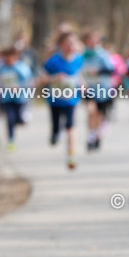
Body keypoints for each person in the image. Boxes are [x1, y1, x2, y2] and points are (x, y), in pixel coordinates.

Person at [40, 31, 84, 170]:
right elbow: (42, 78)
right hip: (55, 99)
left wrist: (83, 85)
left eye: (73, 42)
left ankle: (71, 156)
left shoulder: (78, 59)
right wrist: (54, 78)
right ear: (61, 45)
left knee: (70, 127)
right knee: (56, 126)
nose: (71, 46)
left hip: (71, 99)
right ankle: (54, 134)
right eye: (68, 43)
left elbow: (79, 74)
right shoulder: (53, 61)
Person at [81, 30, 116, 151]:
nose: (92, 42)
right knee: (91, 112)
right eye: (90, 39)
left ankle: (97, 136)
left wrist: (97, 71)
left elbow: (111, 70)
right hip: (88, 88)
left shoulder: (102, 54)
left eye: (94, 39)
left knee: (100, 115)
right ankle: (90, 136)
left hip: (102, 88)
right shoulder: (82, 55)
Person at [0, 46, 33, 151]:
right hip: (7, 98)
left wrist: (19, 87)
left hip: (20, 98)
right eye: (6, 57)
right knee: (10, 119)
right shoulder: (2, 68)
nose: (8, 60)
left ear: (15, 57)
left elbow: (28, 81)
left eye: (10, 57)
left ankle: (24, 118)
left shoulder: (21, 67)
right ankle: (11, 140)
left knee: (19, 120)